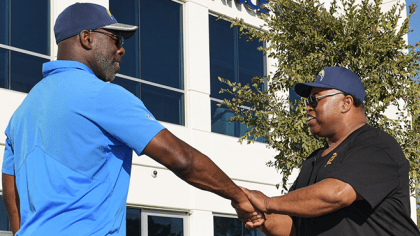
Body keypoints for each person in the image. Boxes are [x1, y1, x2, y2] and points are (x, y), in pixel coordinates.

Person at [1, 3, 262, 235]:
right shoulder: (102, 96)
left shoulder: (23, 111)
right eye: (116, 39)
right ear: (86, 38)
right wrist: (238, 196)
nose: (122, 50)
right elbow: (183, 159)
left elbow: (11, 194)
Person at [237, 67, 420, 236]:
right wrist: (261, 217)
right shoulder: (312, 161)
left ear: (346, 103)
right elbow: (293, 226)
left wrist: (268, 203)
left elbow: (337, 194)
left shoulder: (376, 144)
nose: (308, 108)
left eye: (314, 100)